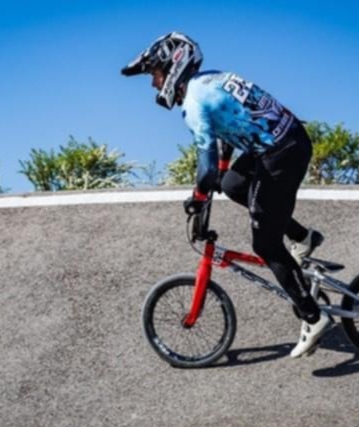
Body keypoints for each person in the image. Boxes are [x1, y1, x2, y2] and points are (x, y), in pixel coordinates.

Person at [122, 32, 332, 358]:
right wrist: (222, 172)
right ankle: (302, 237)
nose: (153, 83)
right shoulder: (211, 79)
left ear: (173, 67)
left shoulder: (194, 104)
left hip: (280, 154)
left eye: (155, 74)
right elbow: (231, 127)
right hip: (282, 142)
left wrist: (197, 197)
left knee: (266, 245)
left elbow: (205, 171)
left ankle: (313, 316)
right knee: (232, 183)